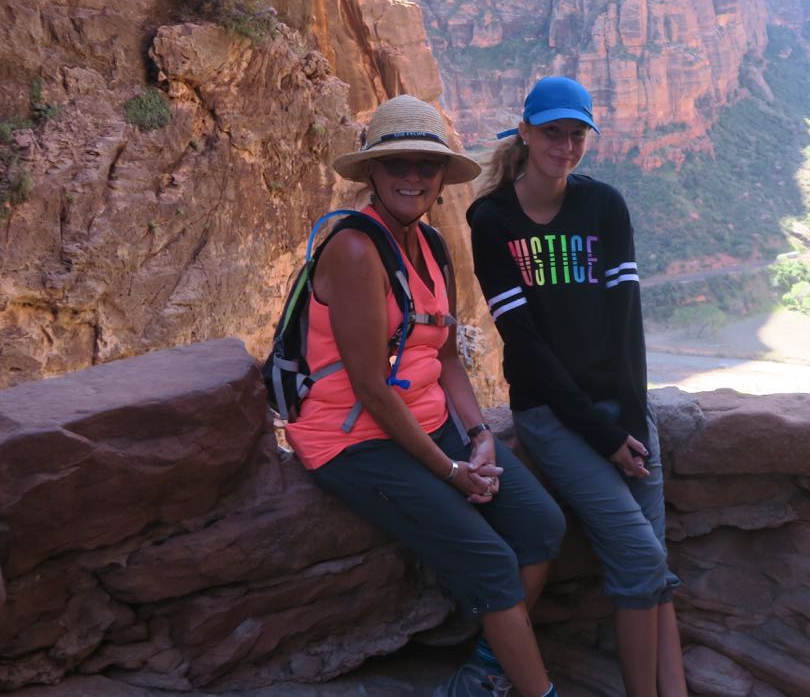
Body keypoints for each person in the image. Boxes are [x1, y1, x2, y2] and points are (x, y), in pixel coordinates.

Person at [285, 95, 565, 697]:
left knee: (542, 525)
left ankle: (486, 671)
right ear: (372, 173)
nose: (412, 177)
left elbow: (445, 356)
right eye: (397, 164)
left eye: (427, 165)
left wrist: (479, 434)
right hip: (354, 440)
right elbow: (371, 388)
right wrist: (451, 472)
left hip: (429, 424)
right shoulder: (355, 250)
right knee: (491, 562)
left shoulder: (433, 246)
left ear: (441, 178)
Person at [466, 77, 688, 697]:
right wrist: (604, 435)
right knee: (641, 558)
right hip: (552, 415)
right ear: (525, 132)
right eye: (552, 133)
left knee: (653, 562)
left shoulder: (604, 206)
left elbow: (627, 323)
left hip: (622, 407)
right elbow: (526, 344)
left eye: (576, 134)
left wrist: (633, 420)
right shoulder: (492, 220)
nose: (564, 146)